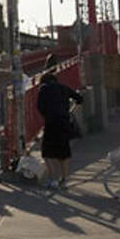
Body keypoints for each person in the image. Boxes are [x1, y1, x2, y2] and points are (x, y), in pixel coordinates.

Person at [37, 54, 83, 190]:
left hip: (51, 123)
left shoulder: (43, 89)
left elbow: (40, 107)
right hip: (64, 122)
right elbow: (79, 98)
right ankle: (64, 179)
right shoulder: (63, 88)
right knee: (64, 152)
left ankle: (53, 179)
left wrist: (47, 115)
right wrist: (70, 110)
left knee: (47, 153)